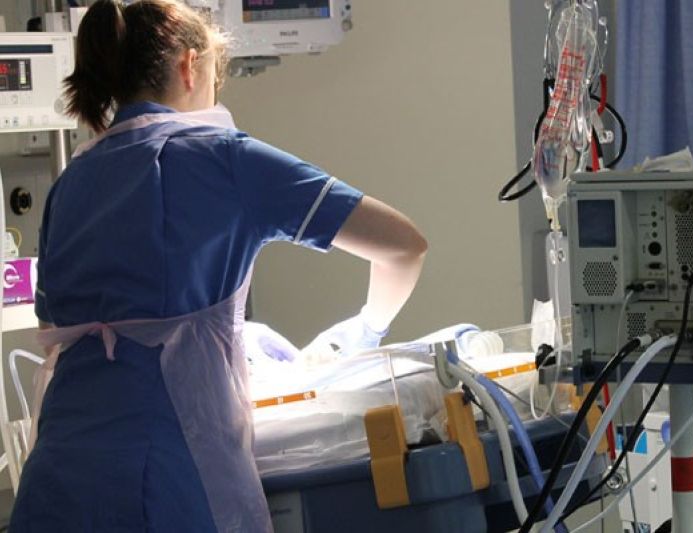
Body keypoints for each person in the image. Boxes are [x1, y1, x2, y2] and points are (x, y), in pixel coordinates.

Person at [9, 0, 427, 531]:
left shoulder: (70, 185)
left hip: (54, 485)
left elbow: (57, 335)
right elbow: (404, 246)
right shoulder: (223, 157)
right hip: (165, 487)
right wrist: (365, 331)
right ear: (189, 66)